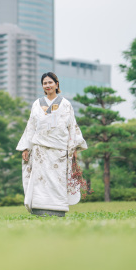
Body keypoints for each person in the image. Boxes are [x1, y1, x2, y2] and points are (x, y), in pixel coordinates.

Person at [16, 72, 88, 216]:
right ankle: (39, 209)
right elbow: (31, 126)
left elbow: (71, 126)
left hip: (59, 150)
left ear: (57, 84)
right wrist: (26, 147)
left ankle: (58, 210)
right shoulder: (37, 104)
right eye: (44, 83)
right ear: (42, 86)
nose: (47, 85)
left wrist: (73, 148)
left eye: (50, 82)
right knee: (39, 180)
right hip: (40, 150)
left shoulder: (66, 104)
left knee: (57, 180)